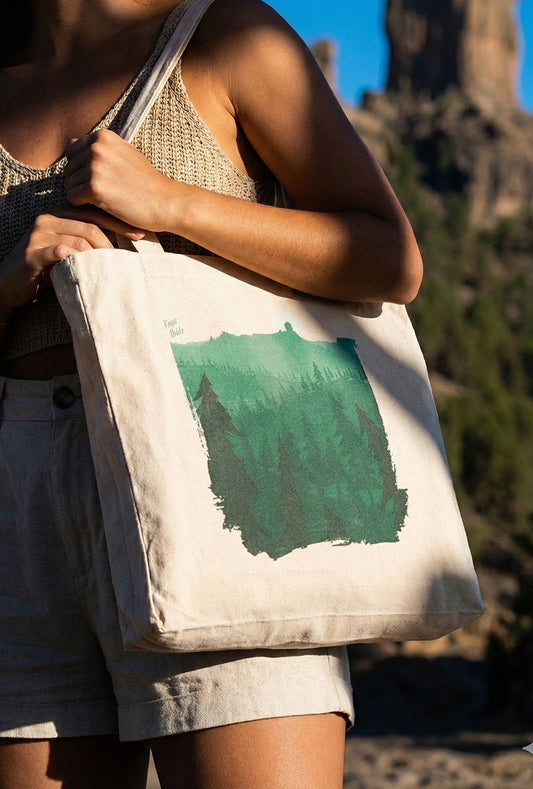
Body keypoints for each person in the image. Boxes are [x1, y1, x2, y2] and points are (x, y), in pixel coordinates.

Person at [0, 0, 423, 786]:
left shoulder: (228, 33)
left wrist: (172, 204)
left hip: (223, 454)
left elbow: (388, 257)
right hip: (19, 498)